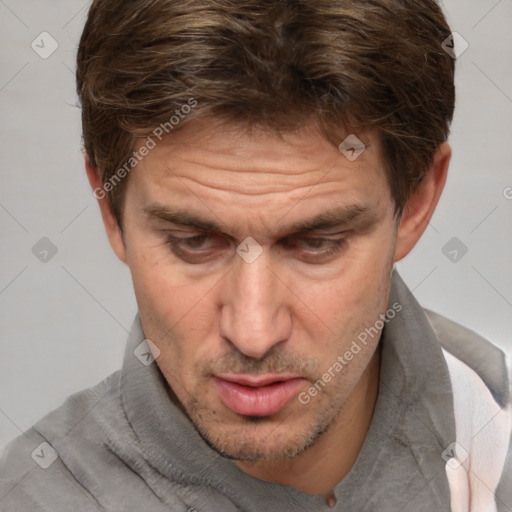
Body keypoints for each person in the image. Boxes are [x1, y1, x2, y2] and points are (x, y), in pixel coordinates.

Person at [1, 0, 511, 510]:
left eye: (316, 243)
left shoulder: (495, 437)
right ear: (111, 210)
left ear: (417, 201)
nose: (253, 333)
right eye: (194, 241)